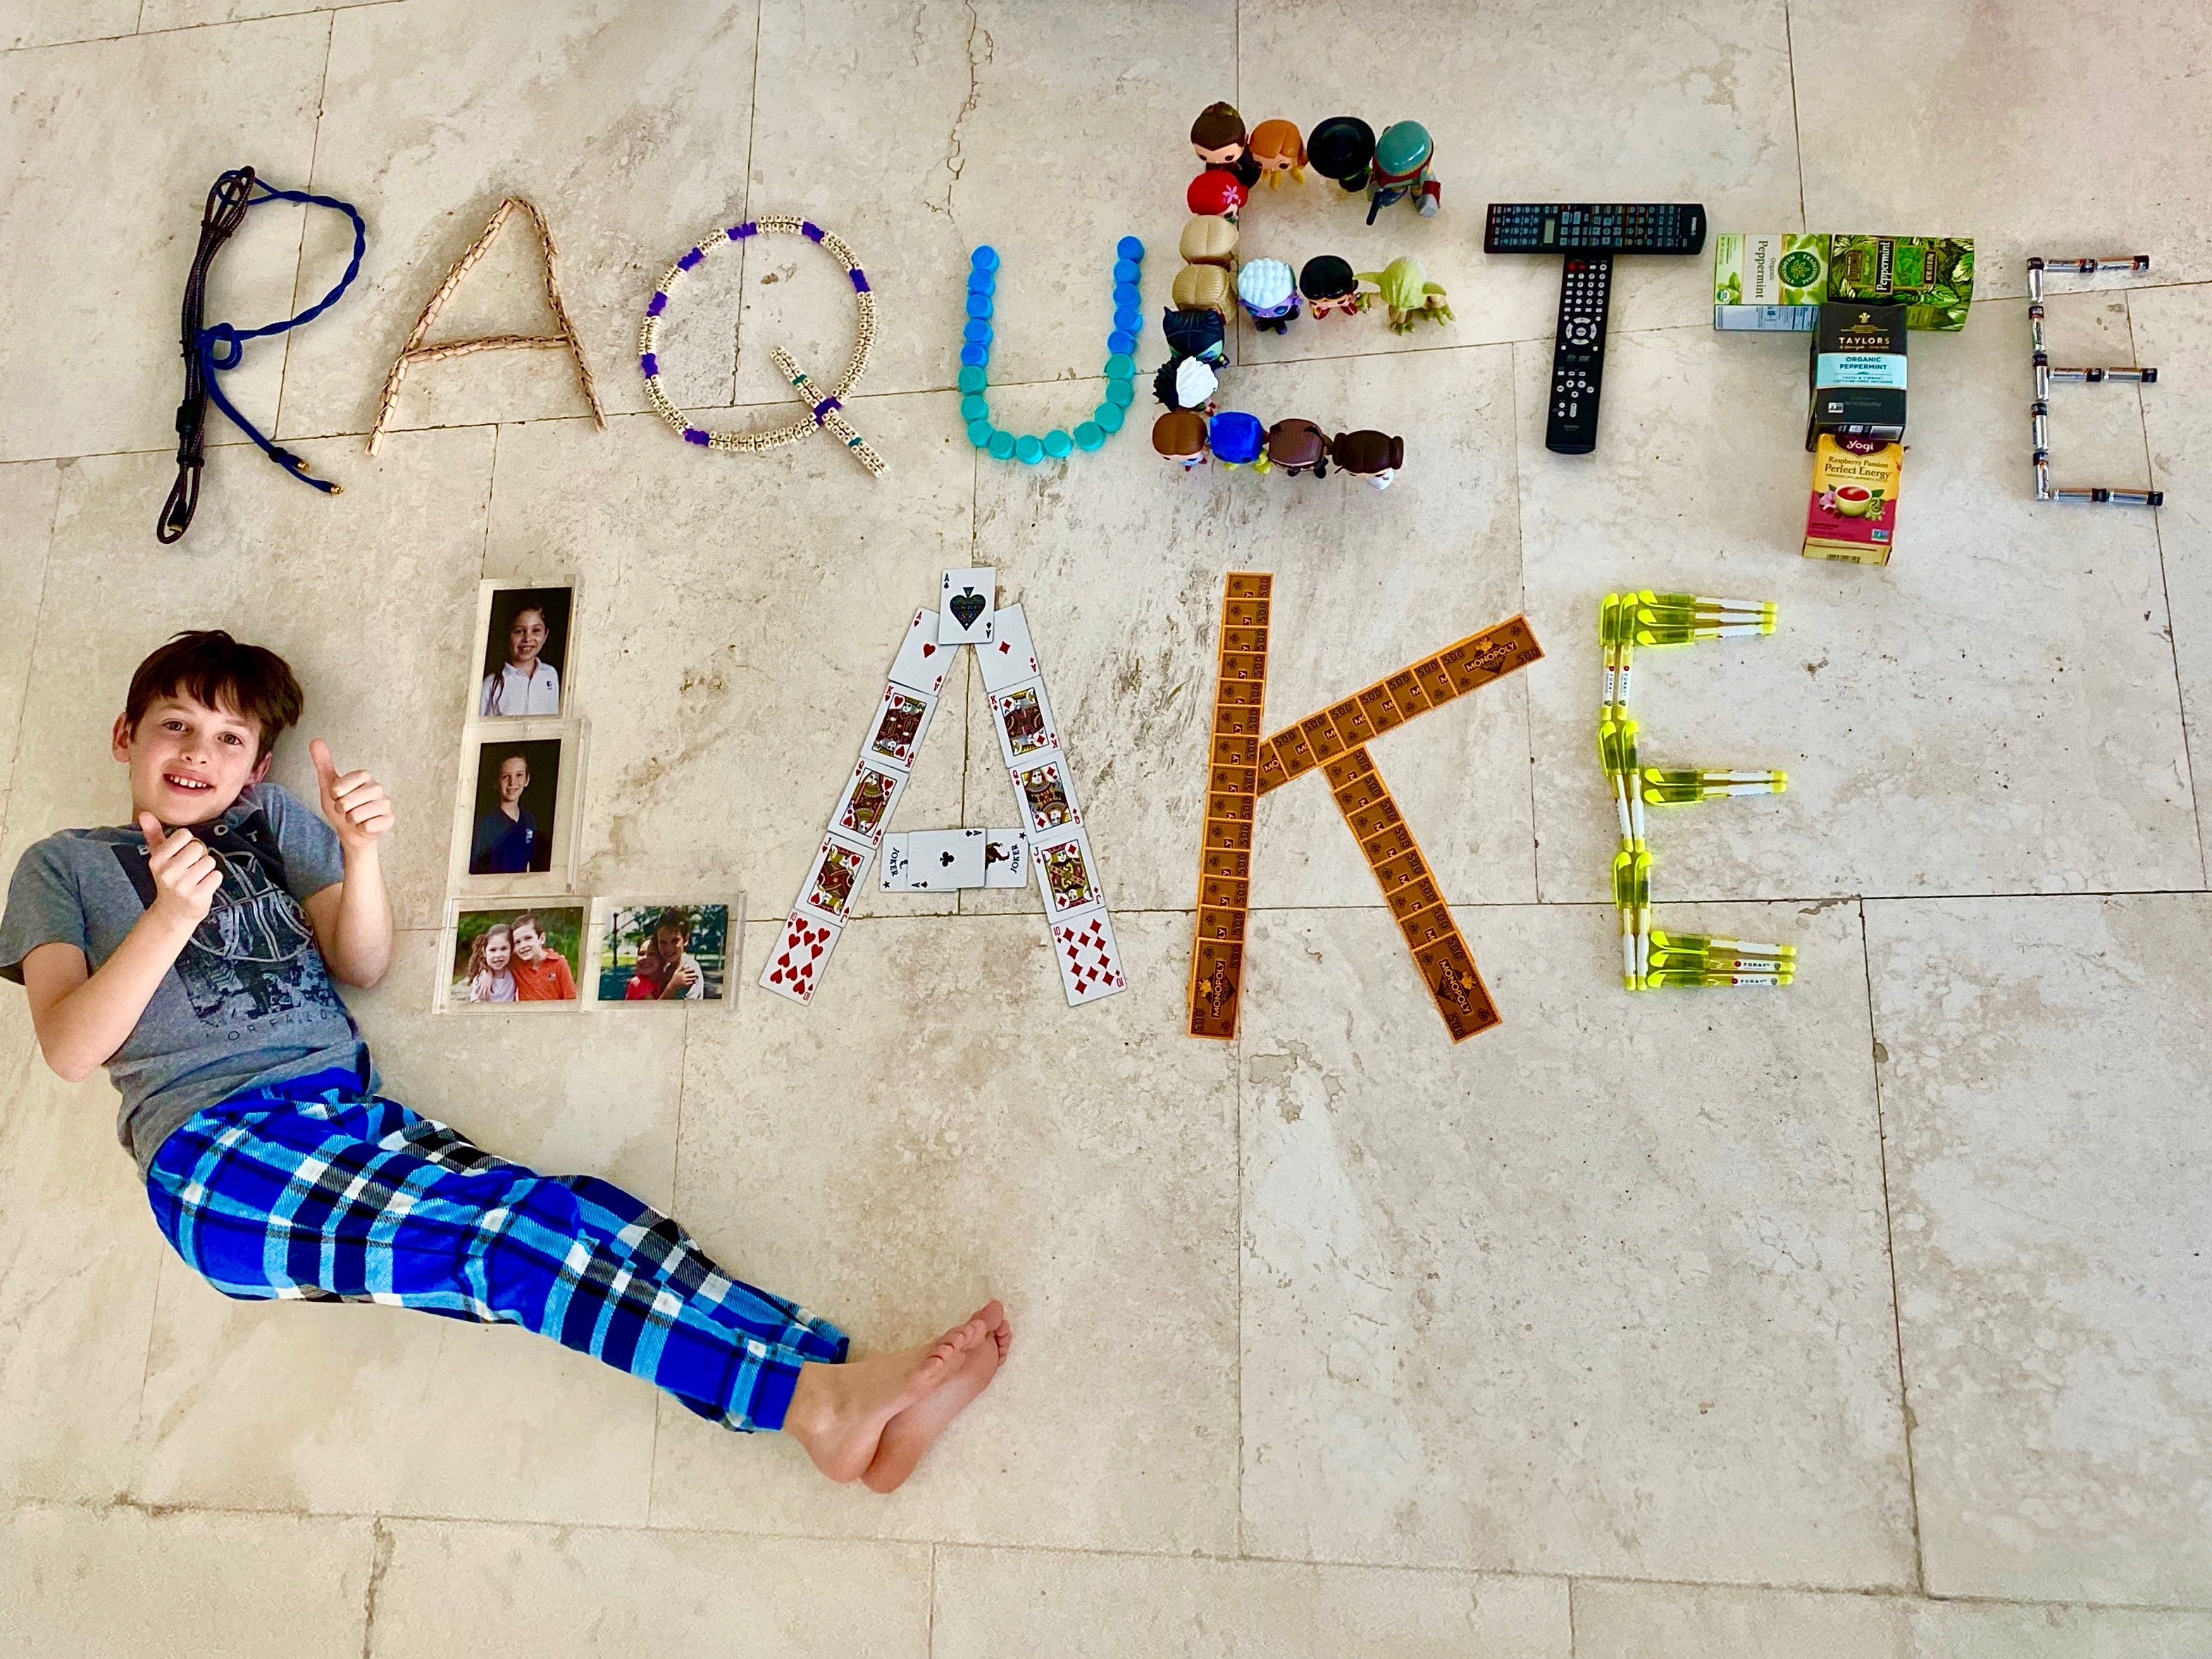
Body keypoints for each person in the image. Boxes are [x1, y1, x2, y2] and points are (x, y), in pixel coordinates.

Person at [0, 630, 1007, 1491]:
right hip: (216, 1157)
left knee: (584, 1214)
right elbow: (69, 1048)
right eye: (175, 725)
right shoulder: (65, 864)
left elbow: (362, 961)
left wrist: (359, 852)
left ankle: (836, 1384)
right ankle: (811, 1403)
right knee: (512, 1246)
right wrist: (171, 915)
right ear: (127, 735)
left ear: (257, 767)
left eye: (228, 738)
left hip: (348, 1120)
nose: (197, 752)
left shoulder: (268, 825)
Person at [479, 603, 561, 716]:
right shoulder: (490, 685)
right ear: (508, 635)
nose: (527, 638)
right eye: (519, 631)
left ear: (545, 635)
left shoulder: (550, 674)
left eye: (536, 630)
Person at [469, 751, 538, 874]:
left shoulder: (529, 819)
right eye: (506, 776)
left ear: (527, 780)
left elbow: (528, 862)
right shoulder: (484, 824)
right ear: (496, 782)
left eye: (519, 775)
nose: (512, 783)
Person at [507, 911, 577, 1002]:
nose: (523, 946)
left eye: (528, 938)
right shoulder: (515, 963)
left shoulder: (559, 964)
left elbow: (571, 999)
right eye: (517, 942)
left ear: (542, 939)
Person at [464, 921, 516, 1002]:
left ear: (512, 950)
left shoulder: (514, 970)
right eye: (493, 950)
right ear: (484, 952)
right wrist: (486, 971)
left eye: (504, 949)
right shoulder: (481, 980)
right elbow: (476, 1005)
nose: (498, 955)